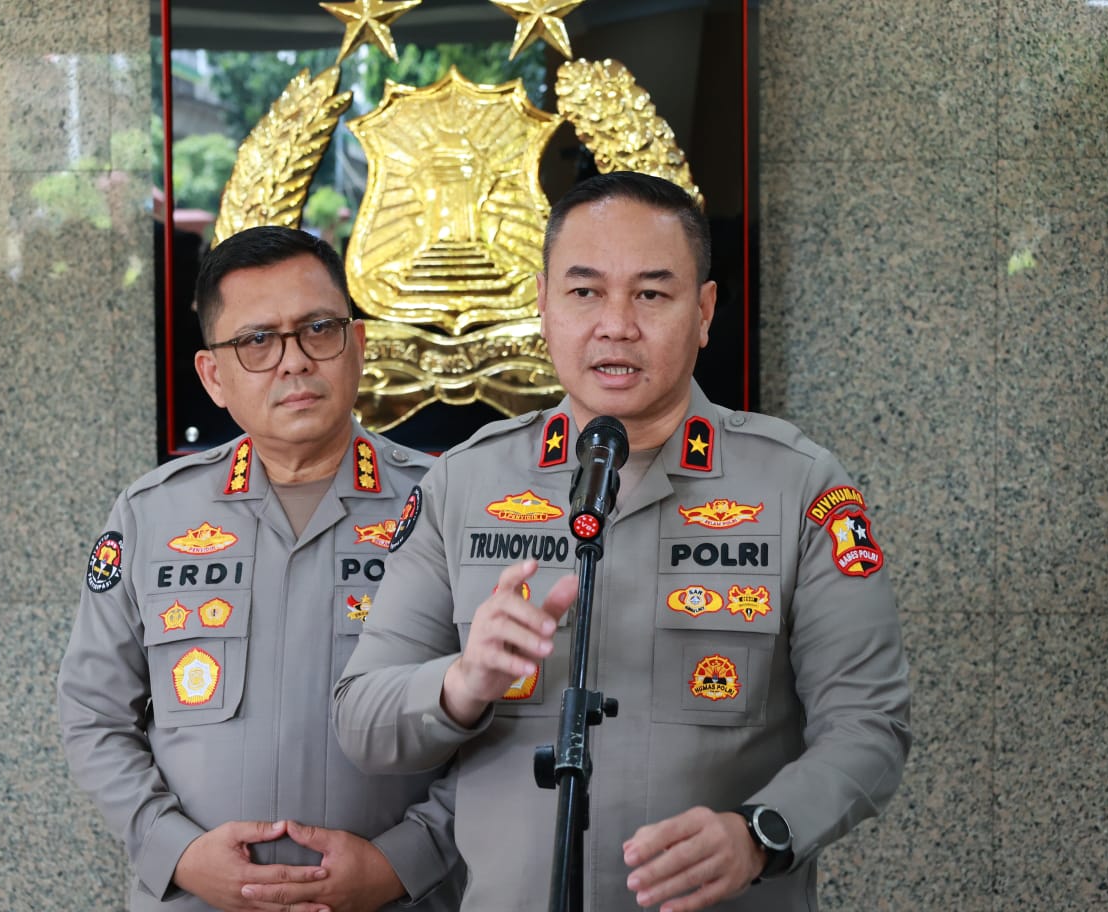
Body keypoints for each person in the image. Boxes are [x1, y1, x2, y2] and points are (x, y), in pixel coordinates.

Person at [333, 172, 911, 912]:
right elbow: (363, 718)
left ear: (703, 312)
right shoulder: (464, 483)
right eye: (584, 292)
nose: (616, 325)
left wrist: (761, 833)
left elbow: (869, 726)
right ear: (543, 305)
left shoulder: (797, 486)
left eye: (651, 294)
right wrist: (462, 683)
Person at [59, 226, 462, 912]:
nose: (293, 361)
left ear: (359, 345)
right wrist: (176, 851)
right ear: (213, 376)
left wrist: (401, 862)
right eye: (257, 341)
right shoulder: (153, 515)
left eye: (318, 329)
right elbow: (93, 713)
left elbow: (510, 716)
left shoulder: (445, 504)